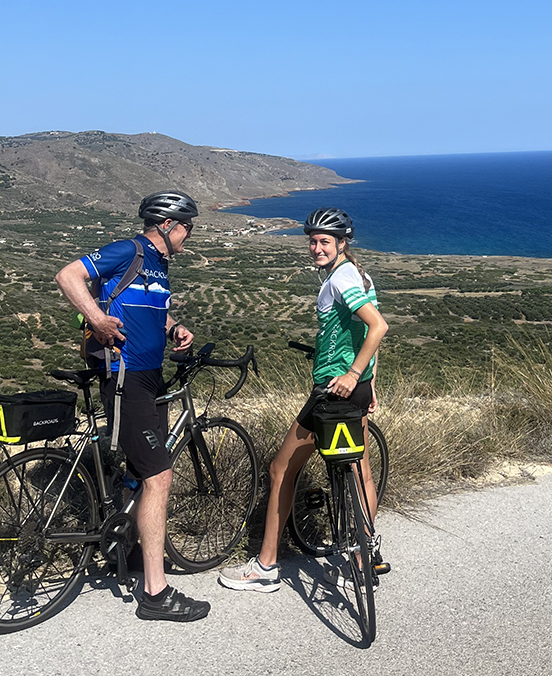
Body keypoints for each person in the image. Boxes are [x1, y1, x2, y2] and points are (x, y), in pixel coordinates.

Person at [55, 190, 210, 622]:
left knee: (141, 471)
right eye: (187, 226)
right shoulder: (130, 250)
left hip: (148, 376)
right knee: (159, 477)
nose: (190, 234)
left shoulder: (158, 265)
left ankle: (127, 547)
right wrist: (96, 319)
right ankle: (155, 594)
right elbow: (68, 276)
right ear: (167, 225)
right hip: (125, 378)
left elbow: (149, 309)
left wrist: (174, 327)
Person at [218, 207, 388, 592]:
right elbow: (367, 336)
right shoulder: (360, 274)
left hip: (332, 390)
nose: (316, 248)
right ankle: (362, 563)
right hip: (356, 390)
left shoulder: (340, 280)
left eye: (325, 241)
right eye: (312, 241)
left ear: (342, 243)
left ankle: (265, 567)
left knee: (281, 469)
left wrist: (351, 374)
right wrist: (368, 381)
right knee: (360, 472)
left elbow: (378, 326)